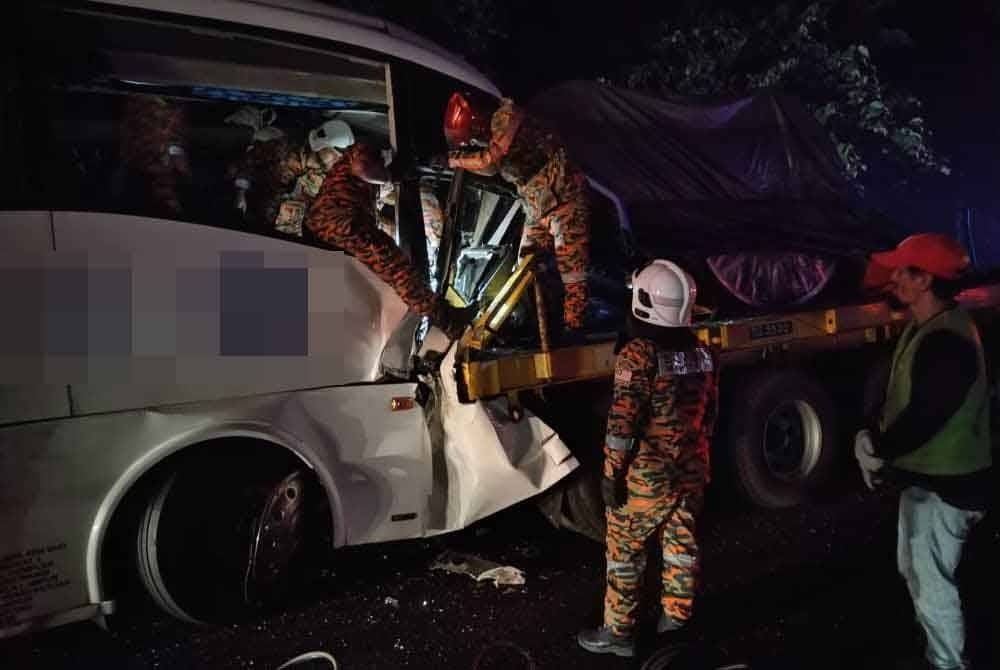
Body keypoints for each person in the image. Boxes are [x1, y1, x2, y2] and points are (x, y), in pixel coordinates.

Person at [854, 232, 992, 670]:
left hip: (949, 486)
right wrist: (874, 432)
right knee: (921, 576)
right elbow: (905, 399)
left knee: (934, 586)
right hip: (928, 481)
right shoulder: (928, 327)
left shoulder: (947, 339)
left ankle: (948, 663)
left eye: (903, 271)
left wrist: (879, 445)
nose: (893, 278)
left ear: (926, 280)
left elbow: (927, 413)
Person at [578, 260, 719, 658]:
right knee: (681, 546)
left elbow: (622, 424)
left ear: (644, 302)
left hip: (646, 479)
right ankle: (676, 620)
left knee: (625, 552)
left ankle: (619, 634)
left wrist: (611, 476)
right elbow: (710, 414)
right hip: (690, 470)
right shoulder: (705, 353)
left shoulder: (639, 355)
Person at [444, 91, 592, 335]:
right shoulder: (494, 132)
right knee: (525, 268)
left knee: (573, 275)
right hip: (538, 203)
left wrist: (453, 160)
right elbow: (491, 169)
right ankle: (533, 323)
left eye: (473, 137)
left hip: (565, 200)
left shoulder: (508, 117)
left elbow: (490, 161)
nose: (475, 142)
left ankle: (574, 332)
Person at [304, 140, 472, 340]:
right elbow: (363, 167)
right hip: (341, 226)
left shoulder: (342, 178)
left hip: (325, 229)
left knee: (383, 275)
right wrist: (390, 175)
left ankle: (442, 318)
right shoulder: (361, 150)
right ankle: (449, 321)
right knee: (398, 270)